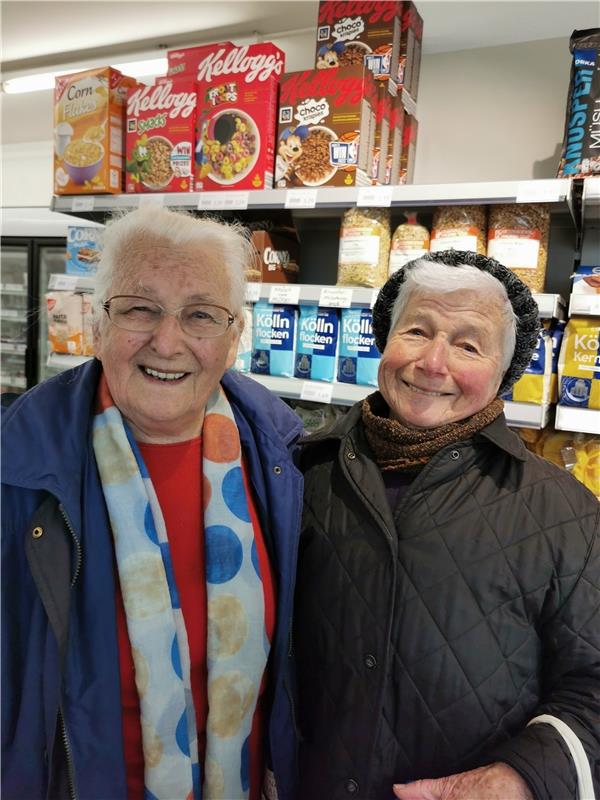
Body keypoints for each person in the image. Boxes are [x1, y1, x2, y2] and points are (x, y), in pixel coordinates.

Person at [1, 207, 303, 800]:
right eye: (140, 308)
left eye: (200, 315)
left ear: (234, 337)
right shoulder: (18, 469)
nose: (167, 342)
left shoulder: (284, 460)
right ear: (97, 321)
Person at [294, 250, 599, 800]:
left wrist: (520, 779)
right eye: (417, 330)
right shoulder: (300, 473)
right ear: (385, 342)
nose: (434, 363)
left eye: (468, 345)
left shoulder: (565, 513)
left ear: (503, 373)